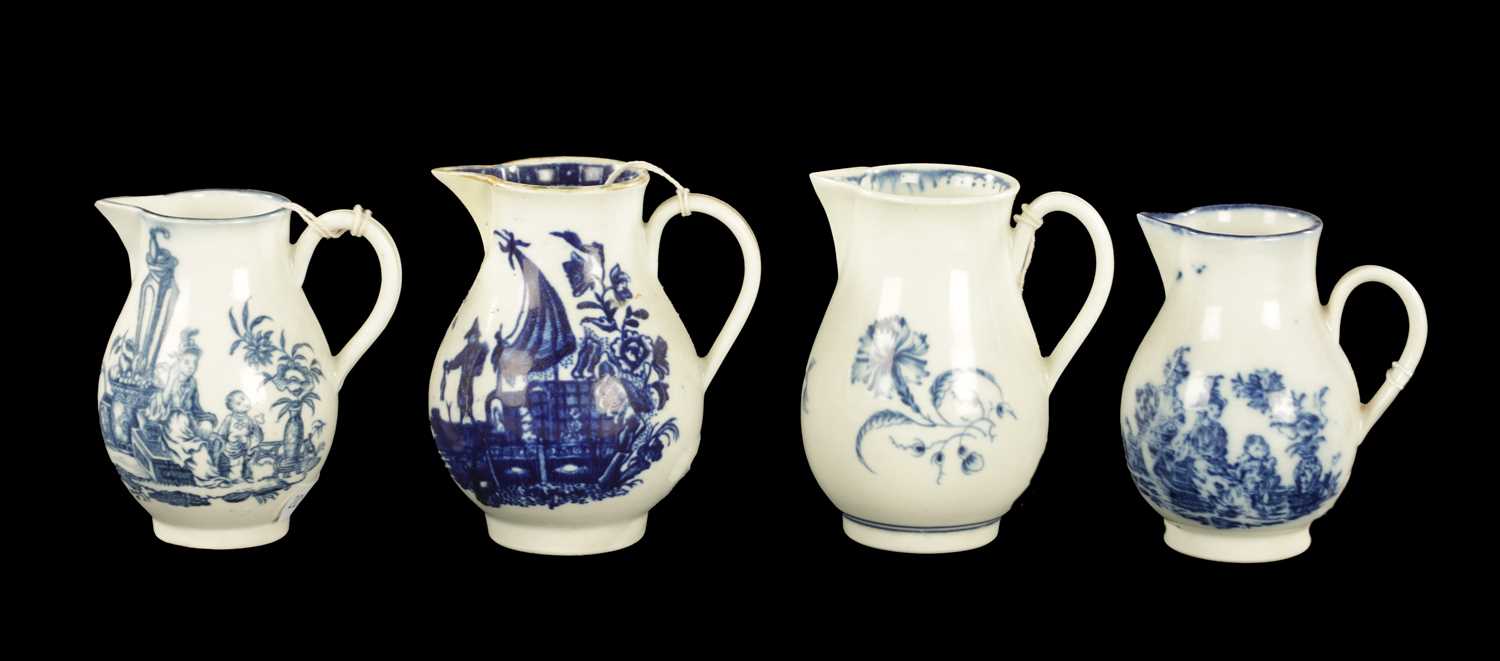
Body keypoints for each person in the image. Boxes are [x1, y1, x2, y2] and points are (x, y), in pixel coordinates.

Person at [145, 331, 220, 484]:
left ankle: (211, 477)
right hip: (173, 427)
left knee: (210, 440)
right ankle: (208, 479)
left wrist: (207, 421)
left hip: (189, 423)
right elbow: (159, 408)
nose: (191, 367)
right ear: (178, 362)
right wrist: (170, 382)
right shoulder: (167, 378)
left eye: (194, 363)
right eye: (186, 362)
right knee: (197, 448)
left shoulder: (192, 383)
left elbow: (196, 408)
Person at [218, 390, 264, 482]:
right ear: (231, 408)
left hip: (244, 445)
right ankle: (226, 476)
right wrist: (228, 439)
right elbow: (221, 433)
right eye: (239, 403)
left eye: (244, 398)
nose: (244, 403)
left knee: (249, 456)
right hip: (231, 447)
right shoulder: (229, 419)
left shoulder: (249, 419)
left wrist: (258, 423)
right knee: (226, 460)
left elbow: (256, 432)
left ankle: (247, 475)